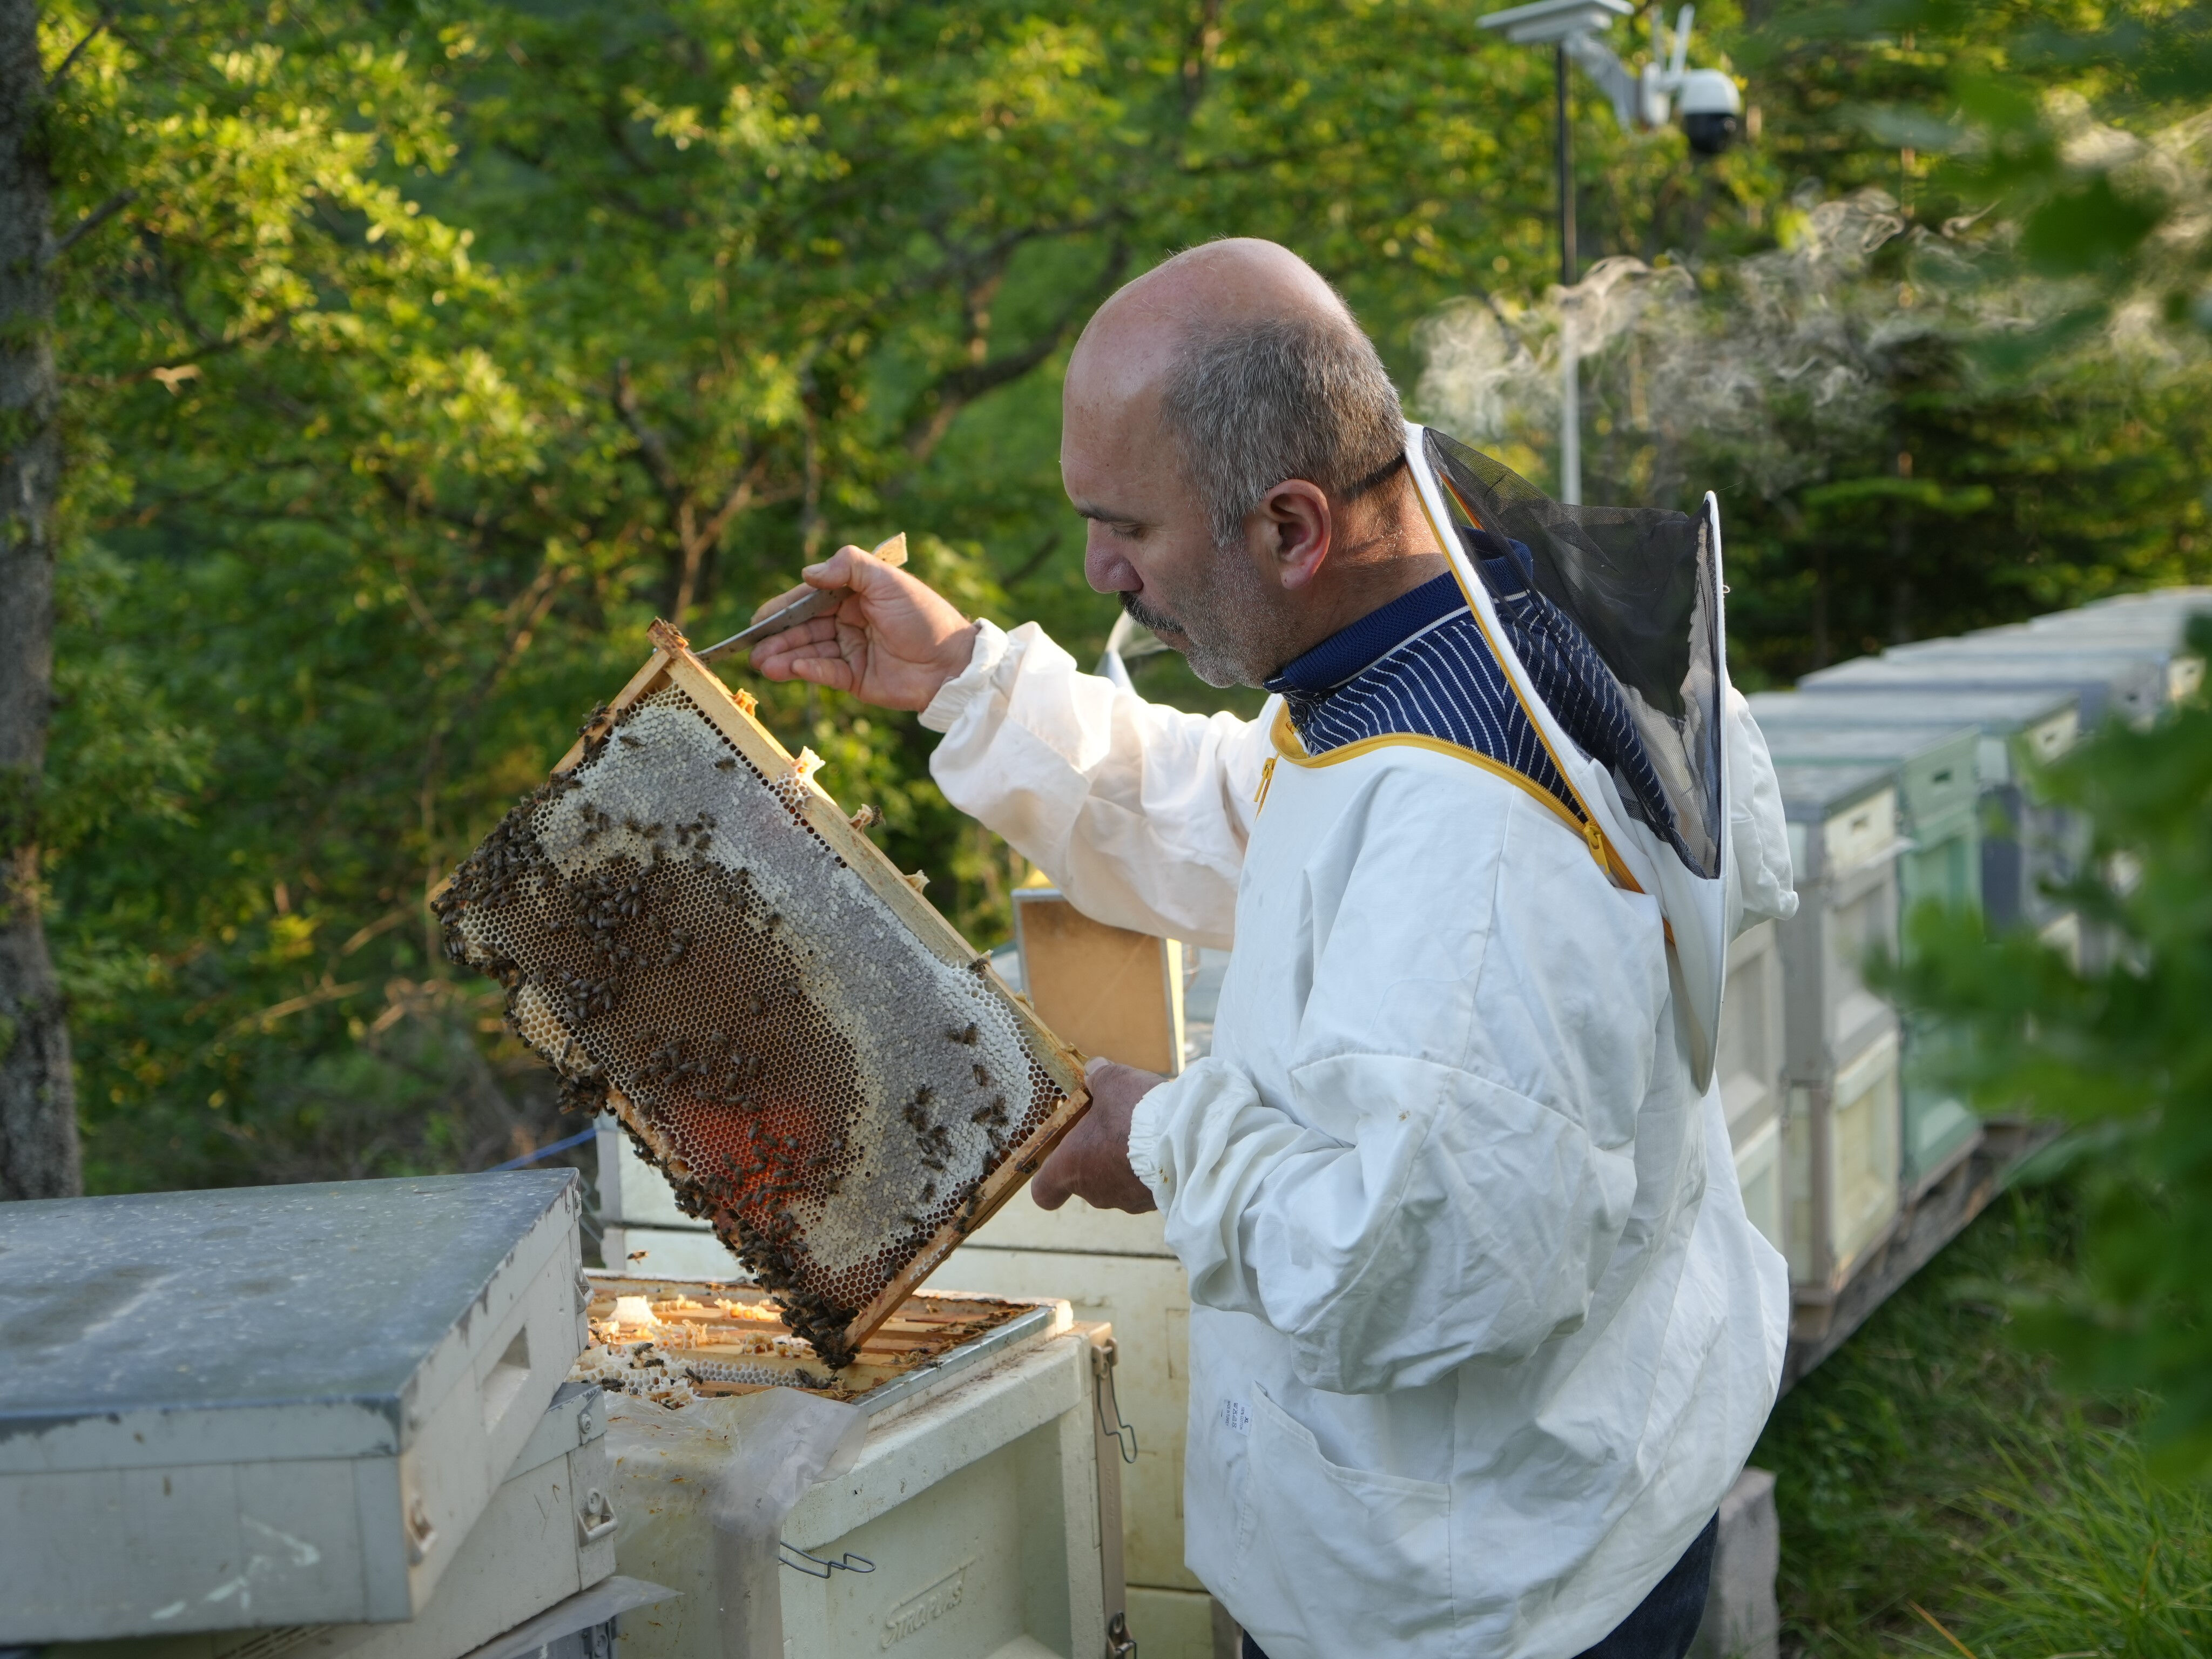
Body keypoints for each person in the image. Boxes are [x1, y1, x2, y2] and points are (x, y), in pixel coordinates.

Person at [751, 238, 1798, 1659]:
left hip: (1481, 1602)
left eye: (1126, 526)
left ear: (1293, 527)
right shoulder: (1434, 632)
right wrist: (971, 680)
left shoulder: (1474, 851)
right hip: (1522, 1509)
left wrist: (1157, 1139)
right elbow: (1267, 822)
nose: (1098, 569)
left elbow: (1426, 1262)